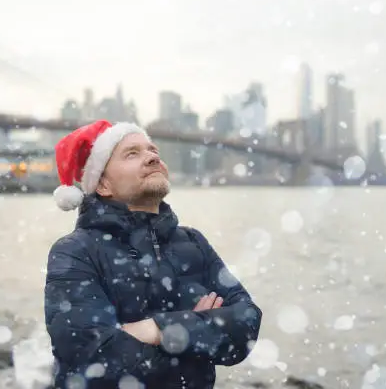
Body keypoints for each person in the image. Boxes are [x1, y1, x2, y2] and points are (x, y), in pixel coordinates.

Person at [45, 119, 262, 388]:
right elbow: (89, 358)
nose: (151, 157)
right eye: (132, 154)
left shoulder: (193, 242)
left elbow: (247, 321)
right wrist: (196, 332)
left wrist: (155, 330)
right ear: (102, 185)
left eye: (153, 150)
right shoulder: (75, 251)